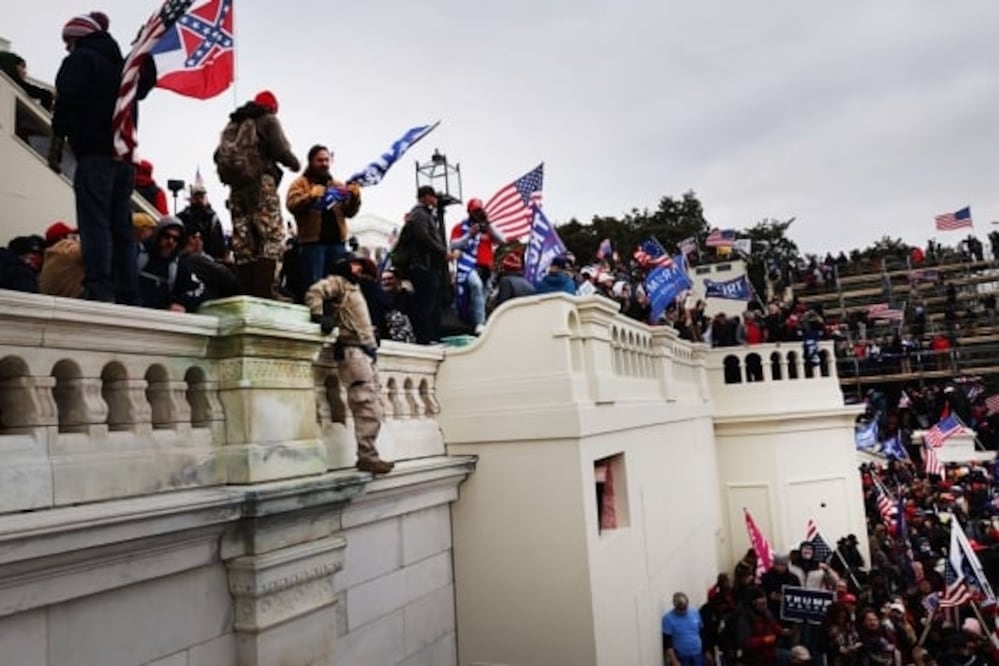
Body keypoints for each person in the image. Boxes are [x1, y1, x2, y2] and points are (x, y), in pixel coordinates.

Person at [49, 11, 156, 305]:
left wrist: (61, 132)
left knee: (94, 222)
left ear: (78, 37)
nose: (67, 47)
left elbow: (68, 100)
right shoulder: (123, 65)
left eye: (68, 40)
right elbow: (145, 84)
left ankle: (99, 287)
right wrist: (144, 48)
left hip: (94, 154)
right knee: (121, 227)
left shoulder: (80, 61)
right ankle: (128, 292)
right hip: (124, 160)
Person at [305, 256, 395, 475]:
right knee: (366, 405)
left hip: (364, 351)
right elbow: (314, 293)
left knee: (372, 405)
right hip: (352, 351)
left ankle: (369, 455)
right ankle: (367, 457)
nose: (359, 268)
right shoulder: (339, 283)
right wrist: (318, 317)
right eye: (355, 265)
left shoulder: (353, 288)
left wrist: (371, 337)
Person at [216, 90, 300, 298]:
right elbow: (281, 150)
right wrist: (295, 164)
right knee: (270, 236)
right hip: (261, 184)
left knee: (243, 240)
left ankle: (246, 292)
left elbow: (217, 155)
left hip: (236, 190)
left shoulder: (232, 124)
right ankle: (265, 292)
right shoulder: (268, 120)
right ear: (272, 107)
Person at [286, 144, 361, 288]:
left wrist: (355, 197)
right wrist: (310, 196)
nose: (324, 164)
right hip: (313, 245)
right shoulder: (300, 183)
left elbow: (350, 212)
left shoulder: (337, 185)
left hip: (337, 245)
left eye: (327, 160)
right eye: (320, 160)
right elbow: (291, 205)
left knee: (336, 286)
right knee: (315, 287)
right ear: (311, 162)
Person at [392, 186, 447, 344]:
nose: (436, 200)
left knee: (432, 302)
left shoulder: (425, 214)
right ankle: (424, 337)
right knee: (425, 303)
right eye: (434, 196)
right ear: (426, 197)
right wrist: (442, 251)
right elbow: (423, 237)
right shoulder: (419, 213)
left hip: (426, 265)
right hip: (421, 266)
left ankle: (431, 336)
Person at [450, 197, 506, 334]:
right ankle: (479, 324)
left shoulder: (487, 228)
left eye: (479, 211)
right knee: (476, 286)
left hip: (486, 268)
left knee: (482, 297)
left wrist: (489, 225)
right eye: (475, 211)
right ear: (469, 212)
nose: (477, 214)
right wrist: (469, 234)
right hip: (468, 266)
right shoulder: (460, 227)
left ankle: (476, 324)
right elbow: (453, 244)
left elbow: (502, 240)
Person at [136, 217, 206, 312]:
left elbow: (199, 289)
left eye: (175, 239)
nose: (170, 242)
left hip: (161, 319)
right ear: (158, 235)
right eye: (166, 236)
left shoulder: (178, 266)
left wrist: (181, 303)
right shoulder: (137, 254)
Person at [177, 183, 227, 261]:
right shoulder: (182, 217)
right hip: (188, 257)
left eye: (201, 196)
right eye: (196, 196)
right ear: (191, 198)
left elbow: (220, 244)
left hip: (210, 259)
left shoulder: (213, 218)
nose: (199, 199)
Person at [39, 221, 85, 298]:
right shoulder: (66, 251)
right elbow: (95, 251)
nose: (77, 241)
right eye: (73, 237)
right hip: (71, 305)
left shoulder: (50, 259)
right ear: (62, 239)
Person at [662, 592, 709, 666]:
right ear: (675, 606)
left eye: (685, 608)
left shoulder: (695, 613)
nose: (683, 611)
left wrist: (706, 652)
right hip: (681, 657)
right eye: (680, 609)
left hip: (697, 655)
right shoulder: (668, 618)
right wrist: (674, 661)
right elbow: (667, 643)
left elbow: (702, 633)